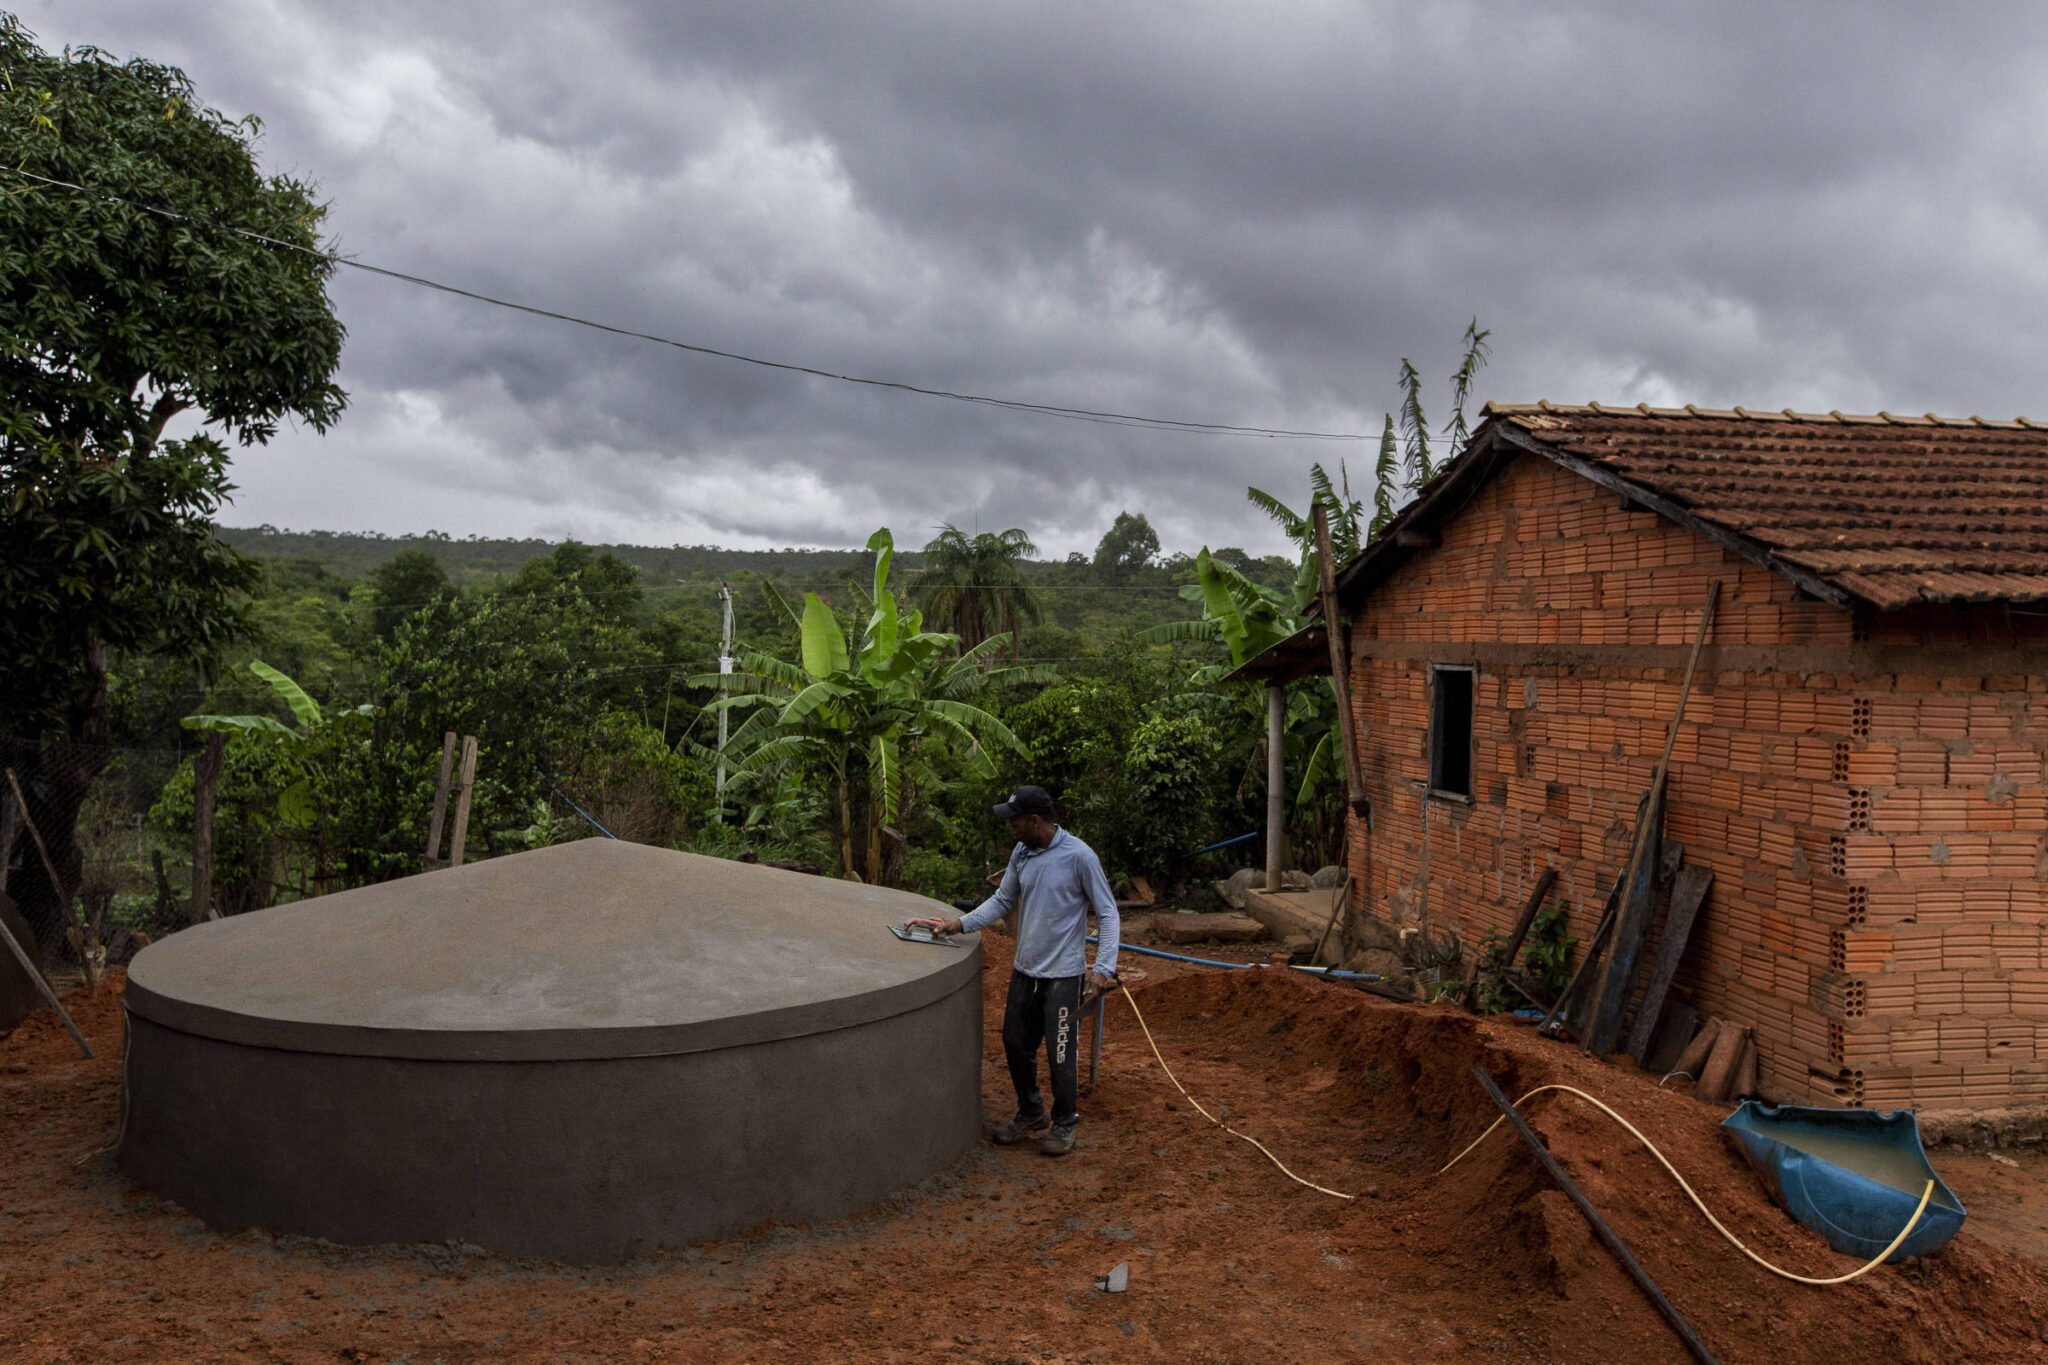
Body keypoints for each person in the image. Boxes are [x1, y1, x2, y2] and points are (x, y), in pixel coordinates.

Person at [908, 785, 1118, 1157]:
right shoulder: (1022, 852)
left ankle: (1064, 1122)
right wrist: (960, 924)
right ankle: (1031, 1111)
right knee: (1015, 1043)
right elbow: (1004, 899)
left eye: (1015, 821)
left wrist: (1102, 968)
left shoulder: (1079, 856)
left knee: (1060, 1052)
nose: (1011, 828)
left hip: (1063, 976)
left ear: (1035, 820)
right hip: (1026, 971)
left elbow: (1108, 913)